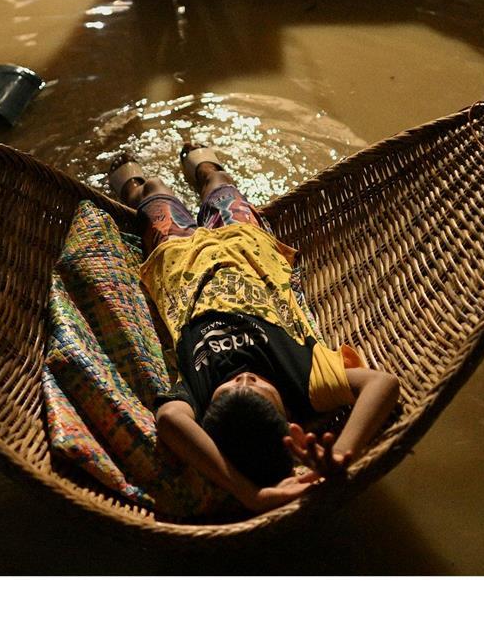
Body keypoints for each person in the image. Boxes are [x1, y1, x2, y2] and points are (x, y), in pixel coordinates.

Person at [108, 143, 400, 514]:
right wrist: (342, 453)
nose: (243, 378)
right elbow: (382, 383)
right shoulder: (303, 381)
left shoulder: (195, 396)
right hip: (247, 245)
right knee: (219, 184)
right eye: (259, 389)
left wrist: (248, 492)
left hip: (178, 257)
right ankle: (202, 162)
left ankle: (132, 183)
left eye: (228, 390)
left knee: (153, 192)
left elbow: (169, 420)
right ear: (291, 416)